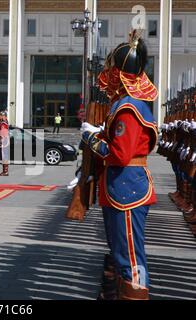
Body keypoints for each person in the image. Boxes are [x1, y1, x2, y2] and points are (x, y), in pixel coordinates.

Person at [80, 30, 158, 300]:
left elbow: (120, 154)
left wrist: (92, 139)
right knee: (120, 251)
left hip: (127, 187)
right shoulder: (123, 104)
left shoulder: (128, 108)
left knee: (130, 258)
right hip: (121, 186)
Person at [0, 111, 10, 176]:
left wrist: (1, 141)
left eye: (0, 115)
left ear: (3, 116)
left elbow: (3, 133)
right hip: (6, 141)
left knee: (4, 156)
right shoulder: (6, 123)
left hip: (4, 141)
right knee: (5, 156)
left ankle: (5, 171)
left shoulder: (3, 124)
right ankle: (5, 171)